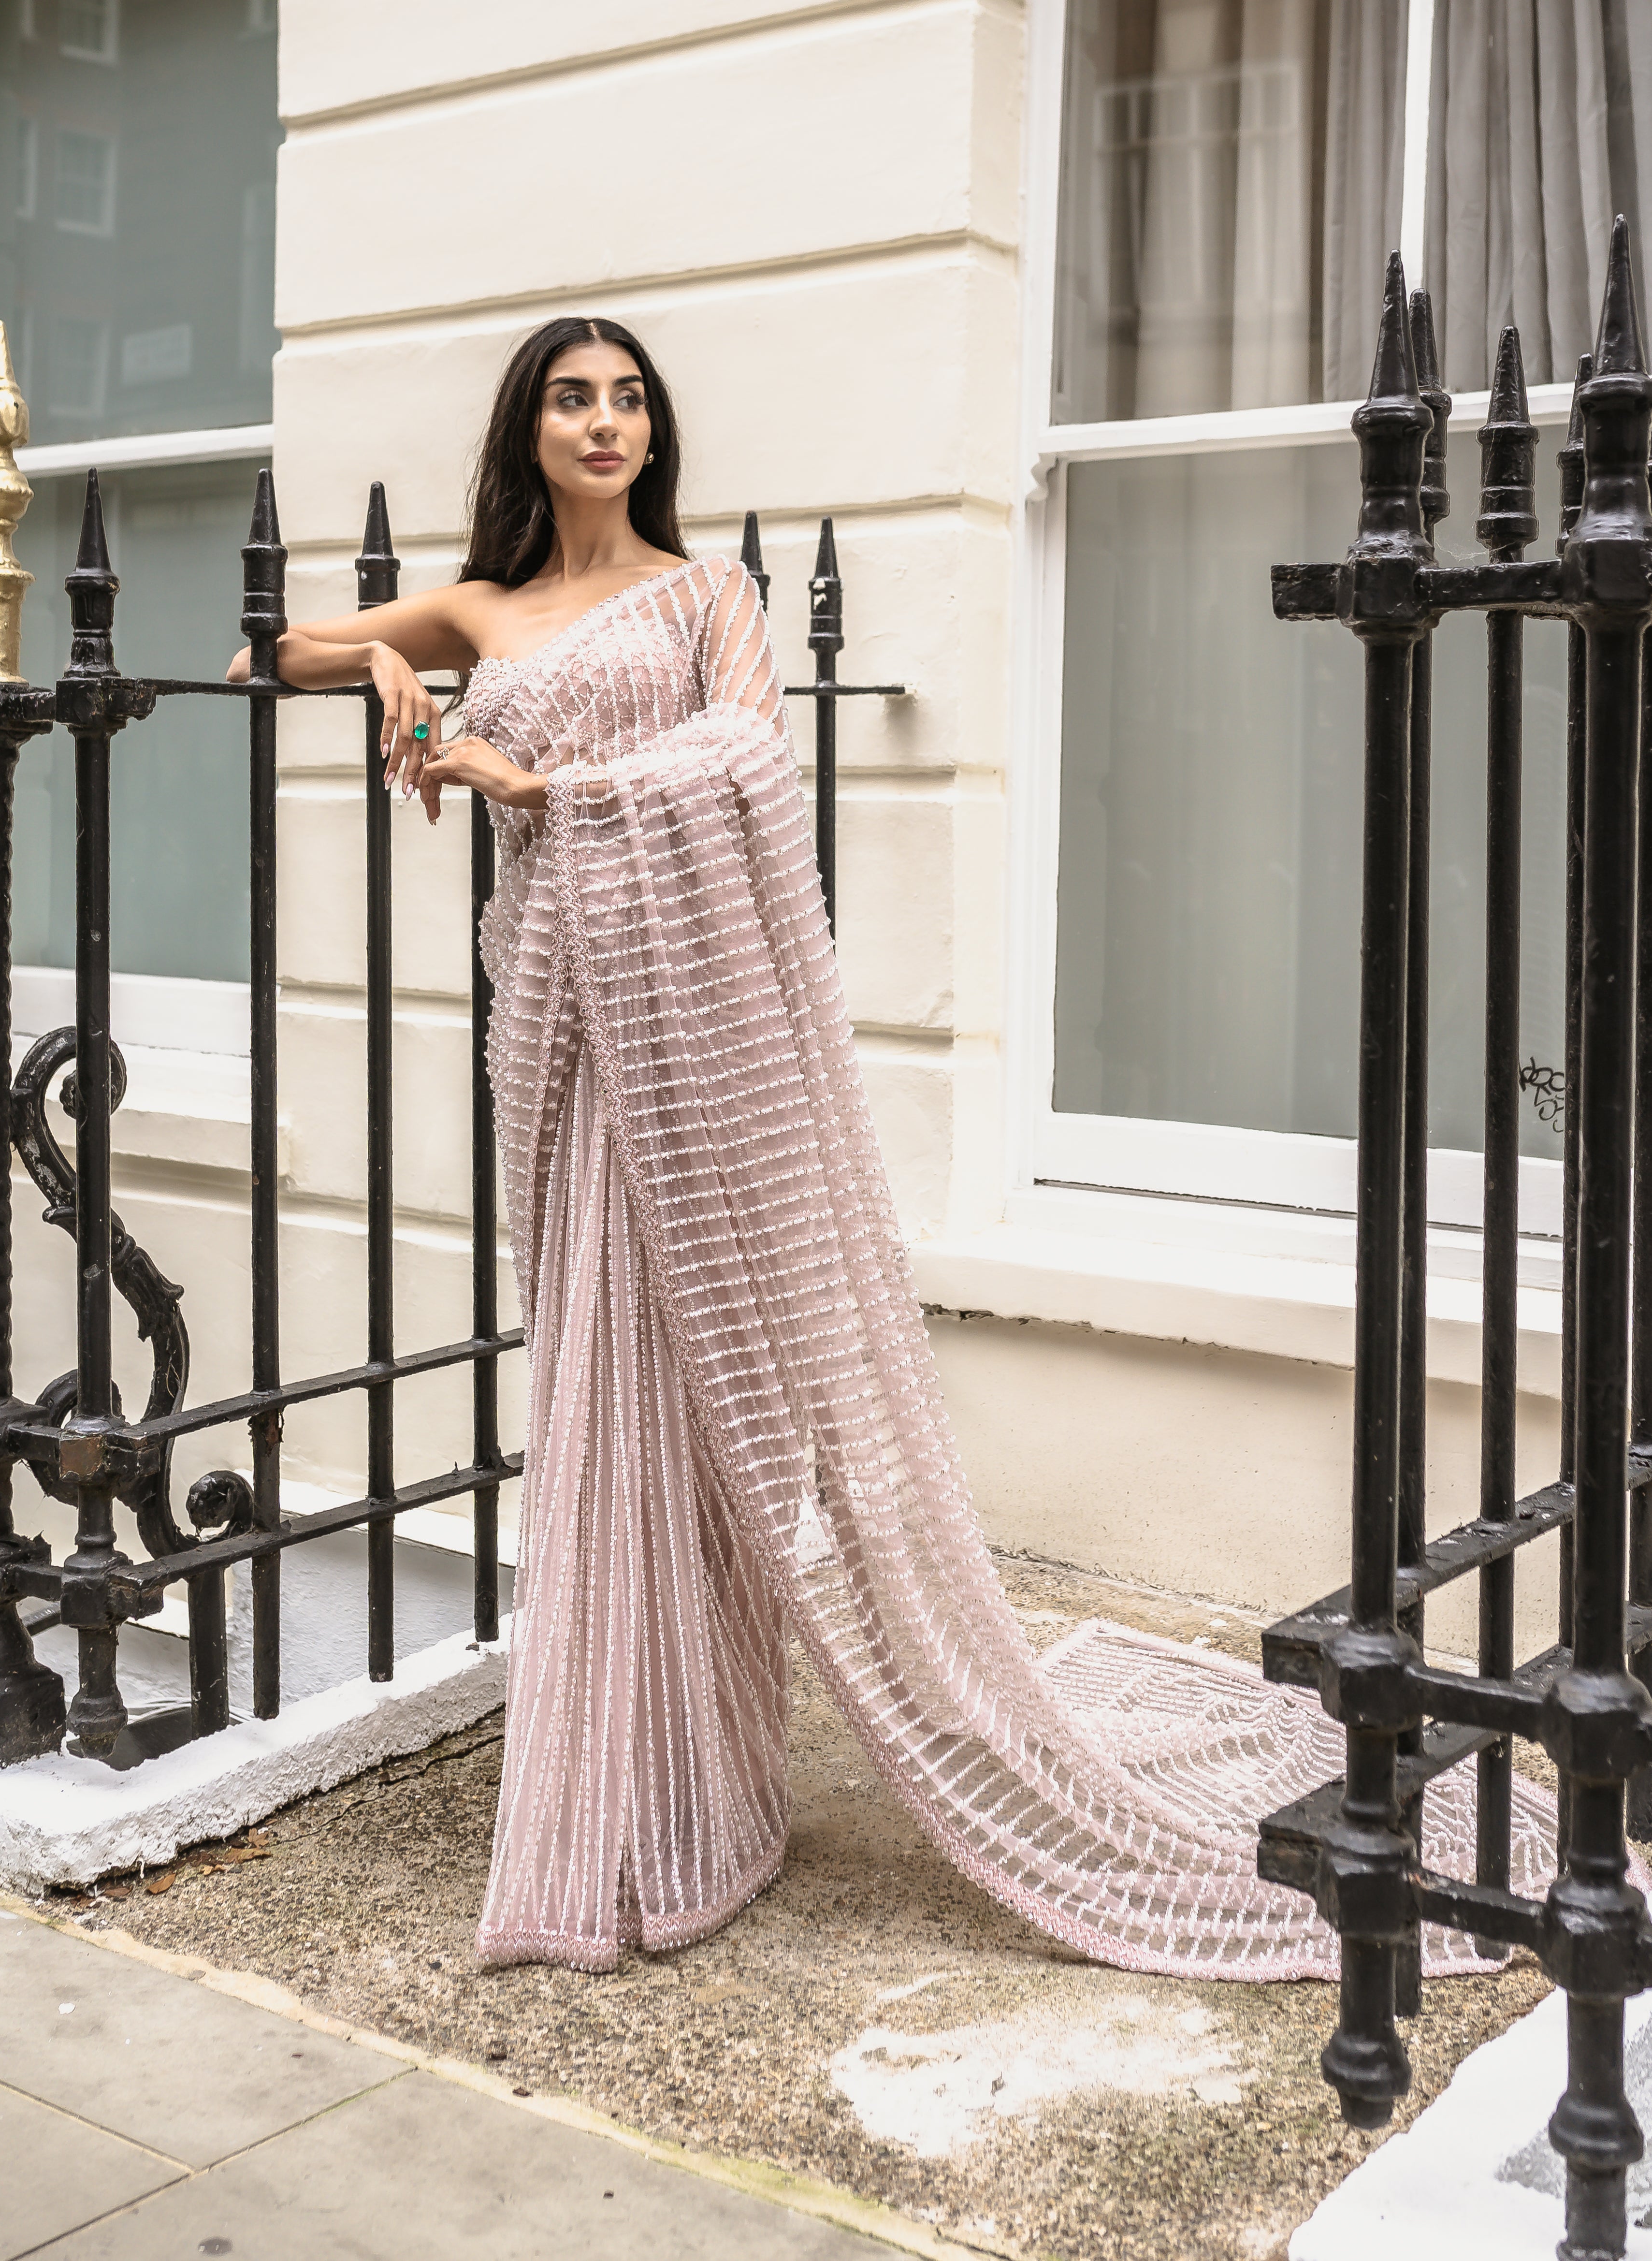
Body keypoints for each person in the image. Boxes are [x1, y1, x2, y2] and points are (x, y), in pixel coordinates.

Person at [231, 315, 1550, 1979]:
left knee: (683, 1383)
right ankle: (651, 1785)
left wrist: (546, 785)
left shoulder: (707, 597)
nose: (606, 422)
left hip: (689, 1045)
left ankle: (692, 1782)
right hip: (559, 1032)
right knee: (591, 1381)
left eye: (630, 398)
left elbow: (747, 767)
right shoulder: (481, 605)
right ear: (527, 427)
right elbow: (271, 651)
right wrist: (410, 694)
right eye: (573, 398)